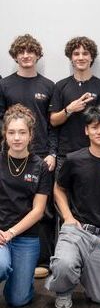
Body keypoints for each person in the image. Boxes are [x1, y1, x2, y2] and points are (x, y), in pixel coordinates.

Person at [45, 106, 100, 308]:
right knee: (64, 265)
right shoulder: (74, 160)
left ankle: (81, 269)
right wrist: (68, 217)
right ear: (86, 131)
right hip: (76, 230)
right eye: (94, 127)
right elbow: (58, 188)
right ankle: (63, 287)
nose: (99, 132)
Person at [0, 34, 56, 279]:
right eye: (21, 52)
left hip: (41, 156)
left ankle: (41, 261)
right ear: (15, 56)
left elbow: (53, 125)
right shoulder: (5, 85)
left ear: (37, 54)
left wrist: (52, 152)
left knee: (45, 211)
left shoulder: (48, 85)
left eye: (30, 51)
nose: (26, 55)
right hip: (11, 154)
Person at [0, 104, 51, 306]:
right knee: (1, 266)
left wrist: (11, 233)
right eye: (11, 132)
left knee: (18, 299)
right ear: (5, 134)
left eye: (22, 132)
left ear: (31, 135)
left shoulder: (41, 167)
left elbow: (38, 211)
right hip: (0, 233)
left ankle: (21, 277)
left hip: (26, 237)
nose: (17, 138)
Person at [49, 36, 100, 174]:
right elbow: (53, 121)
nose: (81, 57)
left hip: (94, 153)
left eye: (85, 53)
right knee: (61, 187)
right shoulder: (60, 86)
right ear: (71, 58)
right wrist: (69, 109)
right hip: (65, 154)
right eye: (76, 54)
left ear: (91, 57)